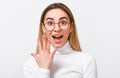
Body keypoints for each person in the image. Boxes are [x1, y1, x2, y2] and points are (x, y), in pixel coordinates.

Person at [23, 2, 97, 78]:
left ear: (71, 27)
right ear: (43, 27)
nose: (57, 29)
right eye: (50, 23)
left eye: (63, 22)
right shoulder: (30, 64)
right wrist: (44, 69)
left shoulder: (86, 61)